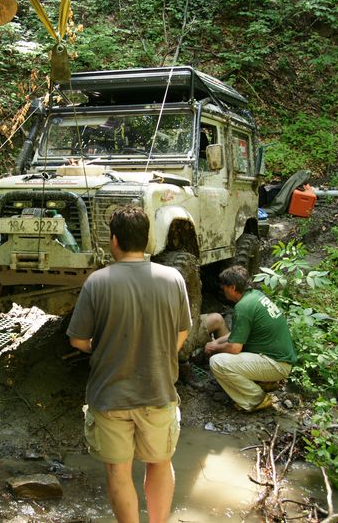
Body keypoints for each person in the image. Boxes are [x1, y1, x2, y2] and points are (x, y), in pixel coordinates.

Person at [66, 205, 191, 523]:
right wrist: (160, 354)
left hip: (110, 397)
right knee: (160, 462)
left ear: (114, 240)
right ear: (147, 240)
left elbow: (78, 340)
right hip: (158, 392)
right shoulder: (173, 278)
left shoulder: (97, 282)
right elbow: (183, 331)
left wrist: (101, 347)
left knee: (119, 472)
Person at [203, 265, 297, 412]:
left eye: (224, 286)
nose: (222, 289)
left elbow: (235, 348)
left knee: (217, 362)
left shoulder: (243, 307)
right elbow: (237, 334)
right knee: (226, 354)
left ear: (232, 287)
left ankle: (256, 399)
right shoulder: (255, 296)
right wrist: (216, 342)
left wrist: (214, 348)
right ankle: (261, 383)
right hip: (278, 359)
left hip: (276, 364)